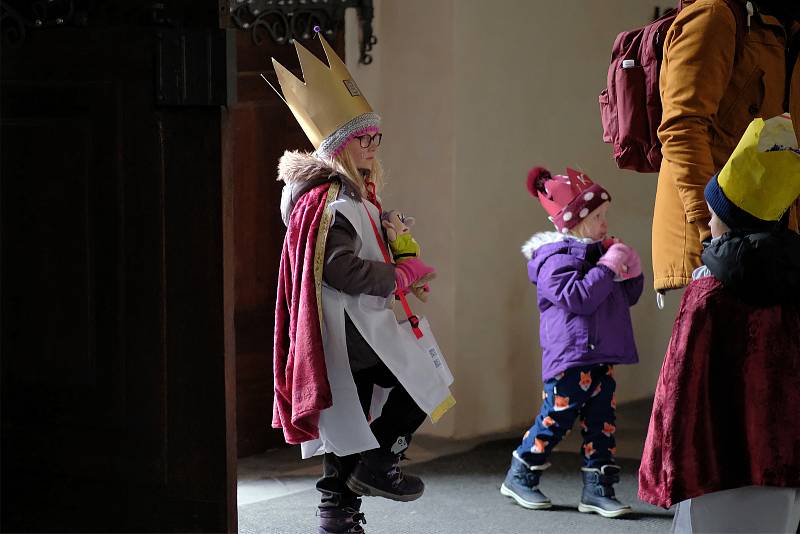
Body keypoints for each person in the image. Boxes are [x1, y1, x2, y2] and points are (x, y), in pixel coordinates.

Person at [269, 32, 455, 534]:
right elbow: (341, 269)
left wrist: (390, 232)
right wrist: (398, 274)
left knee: (349, 424)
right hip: (349, 330)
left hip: (357, 327)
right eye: (364, 138)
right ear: (340, 147)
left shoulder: (346, 198)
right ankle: (377, 469)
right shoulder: (333, 201)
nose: (374, 146)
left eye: (376, 136)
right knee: (422, 385)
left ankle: (339, 514)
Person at [639, 115, 800, 533]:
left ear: (727, 220)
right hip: (784, 457)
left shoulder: (708, 293)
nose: (708, 223)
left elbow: (678, 385)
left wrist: (663, 463)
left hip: (716, 462)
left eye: (712, 214)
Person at [500, 167, 644, 518]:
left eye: (605, 215)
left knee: (602, 423)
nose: (605, 223)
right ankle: (521, 474)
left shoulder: (599, 255)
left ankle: (598, 489)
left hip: (601, 354)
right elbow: (579, 297)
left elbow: (626, 298)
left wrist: (632, 272)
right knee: (556, 418)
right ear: (573, 222)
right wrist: (608, 268)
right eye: (597, 217)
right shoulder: (553, 260)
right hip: (571, 357)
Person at [652, 0, 800, 297]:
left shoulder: (784, 27)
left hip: (762, 250)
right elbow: (682, 130)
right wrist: (712, 235)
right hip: (712, 252)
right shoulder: (715, 16)